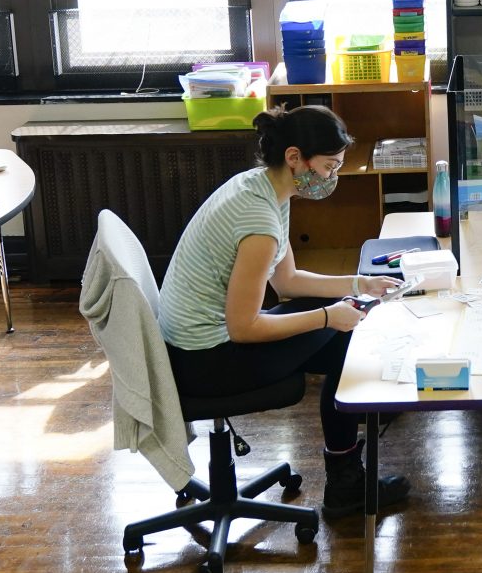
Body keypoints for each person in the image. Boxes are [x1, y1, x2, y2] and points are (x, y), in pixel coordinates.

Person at [156, 104, 409, 520]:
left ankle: (360, 440)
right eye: (328, 166)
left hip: (201, 343)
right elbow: (244, 327)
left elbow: (287, 283)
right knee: (346, 344)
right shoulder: (260, 224)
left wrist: (357, 284)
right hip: (206, 361)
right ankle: (346, 483)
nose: (332, 177)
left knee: (347, 336)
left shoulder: (265, 188)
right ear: (295, 158)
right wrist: (330, 316)